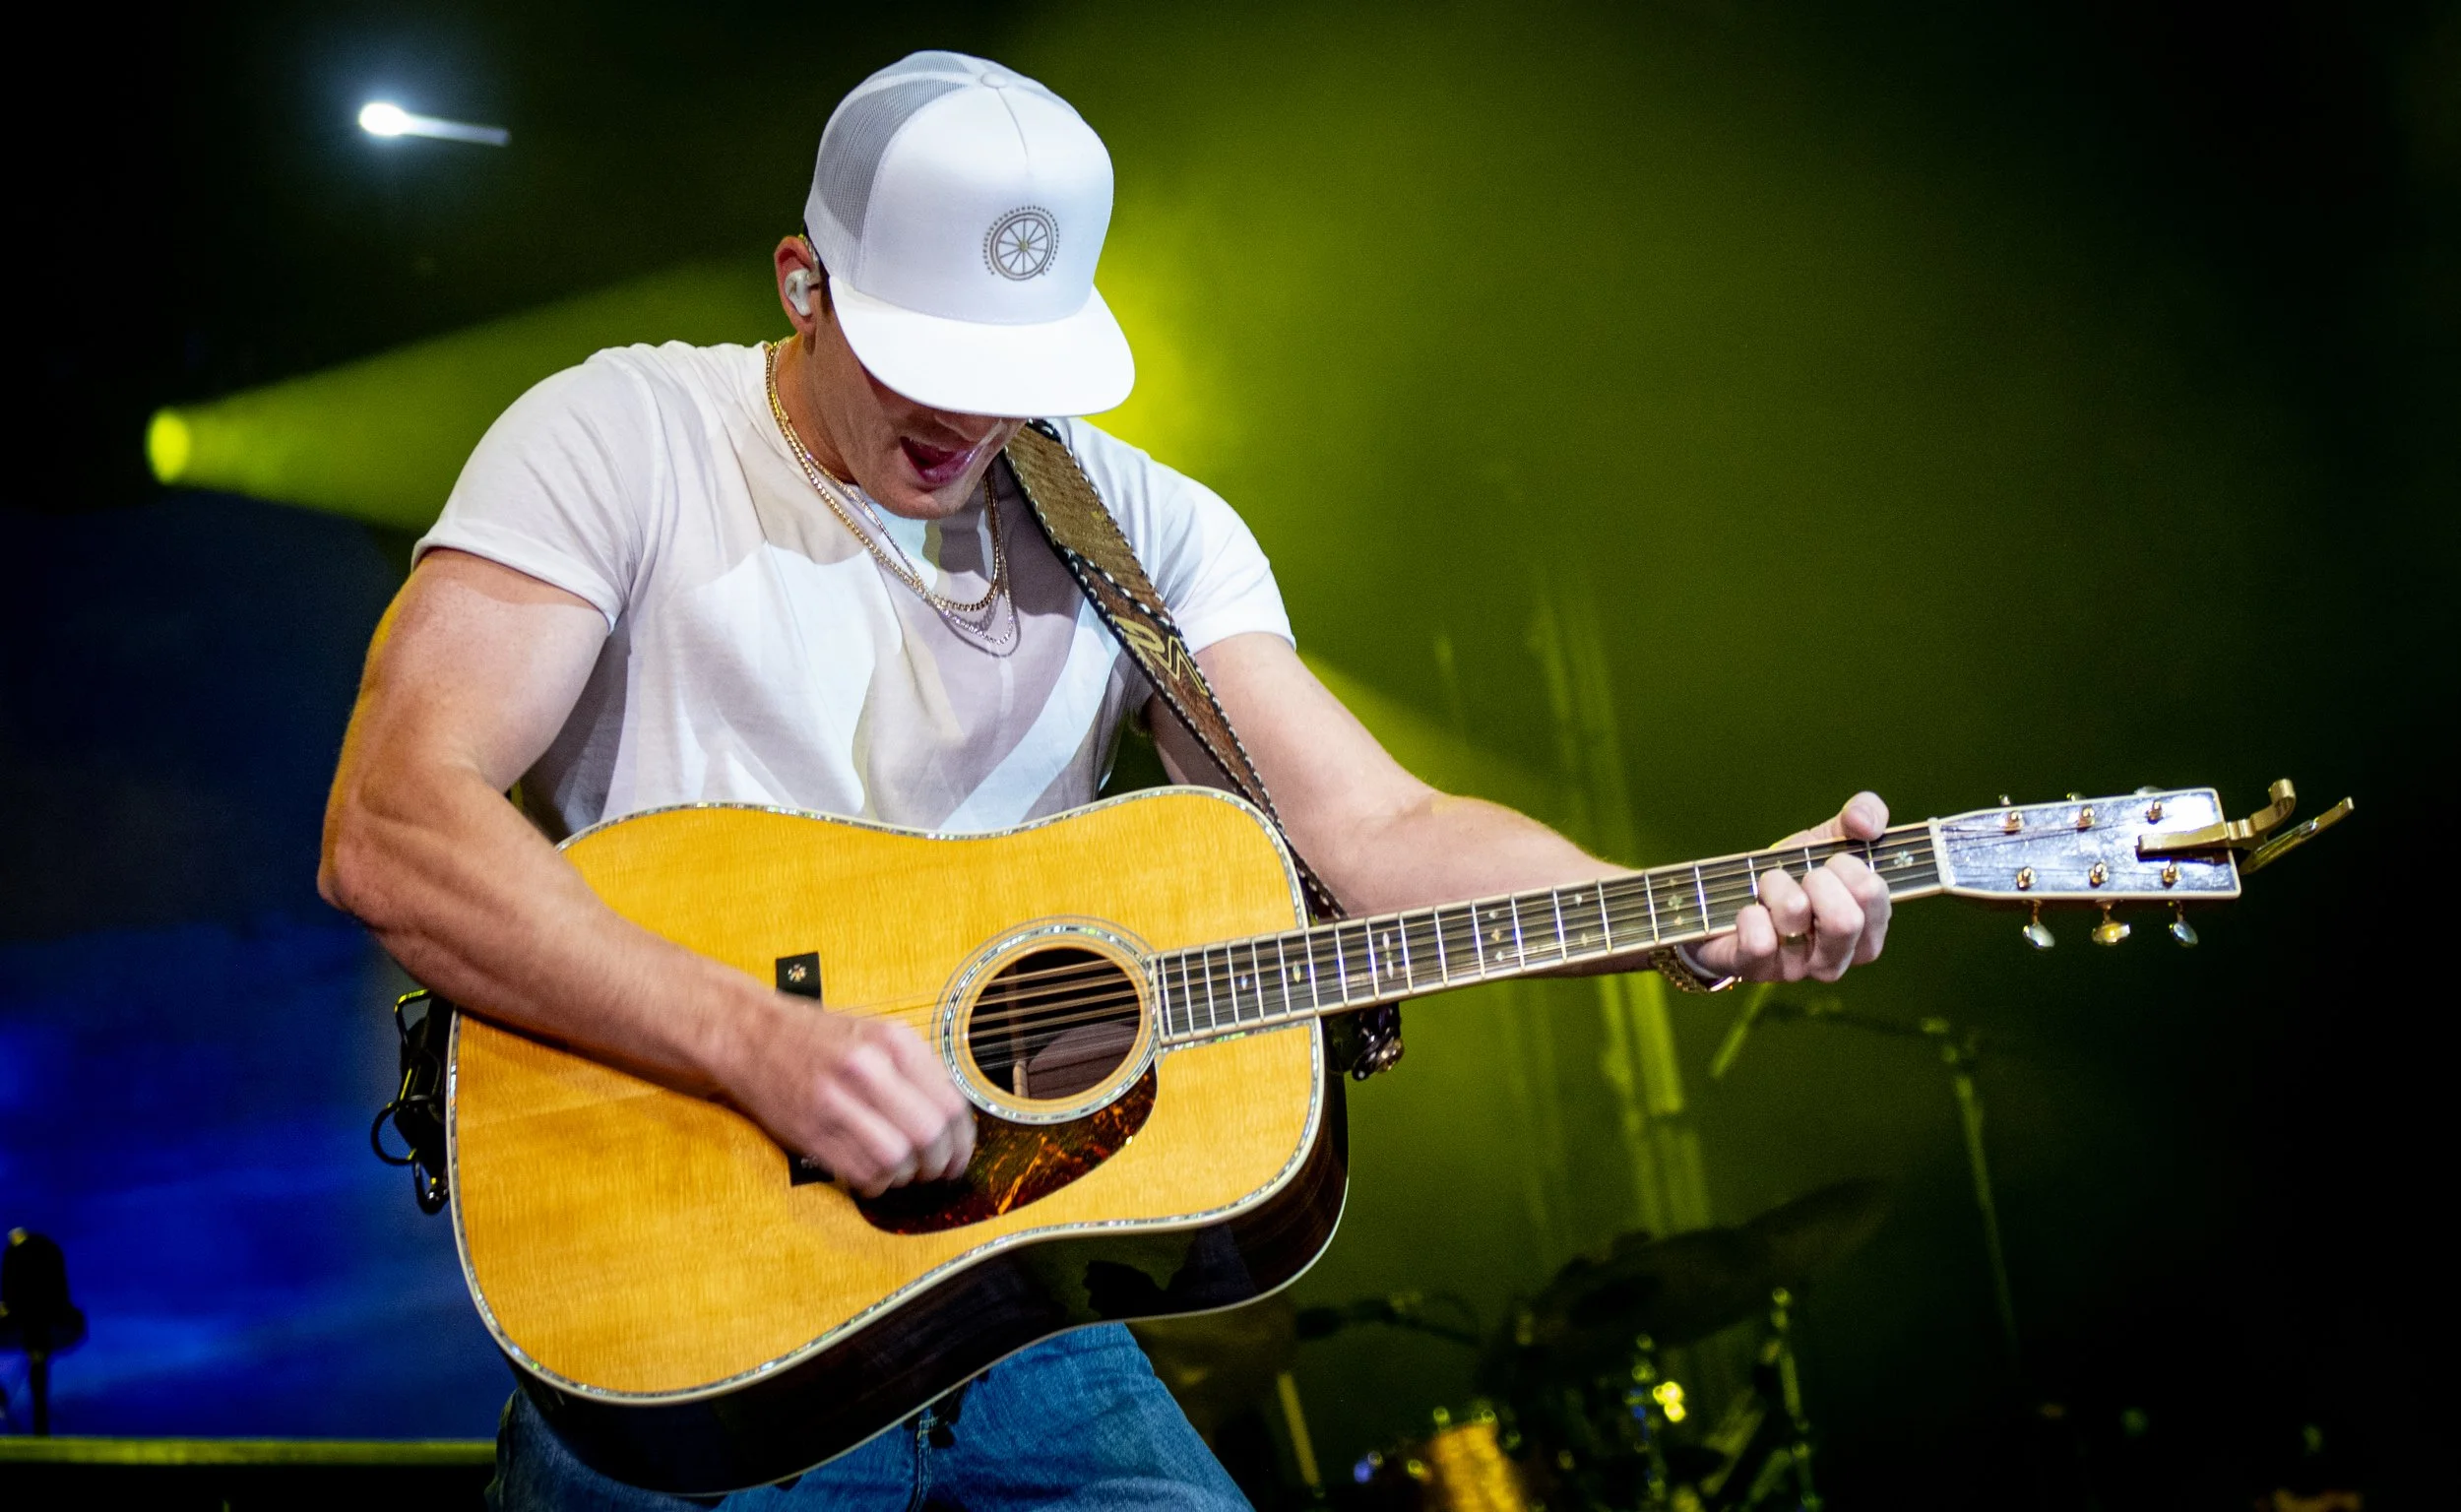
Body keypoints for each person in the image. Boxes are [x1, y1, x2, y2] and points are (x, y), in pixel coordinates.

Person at [319, 49, 1895, 1511]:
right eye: (924, 356)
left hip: (1021, 1313)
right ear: (803, 284)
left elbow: (1379, 826)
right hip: (696, 1302)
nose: (967, 415)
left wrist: (1682, 917)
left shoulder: (1140, 526)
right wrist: (757, 1042)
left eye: (1008, 366)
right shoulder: (621, 436)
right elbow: (393, 825)